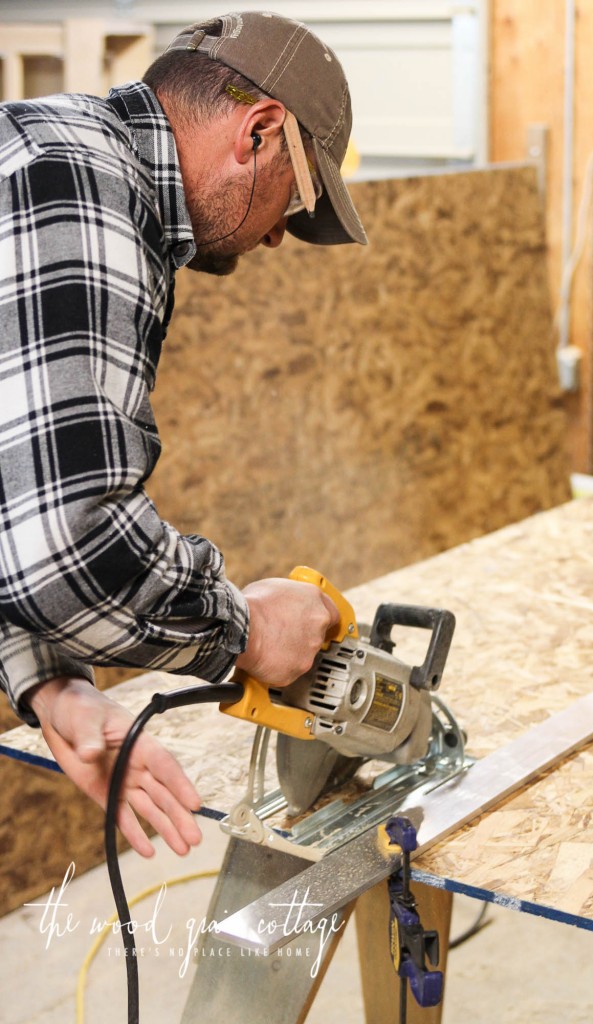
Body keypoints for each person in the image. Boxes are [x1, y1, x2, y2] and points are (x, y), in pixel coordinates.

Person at [0, 12, 367, 859]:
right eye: (298, 200)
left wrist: (49, 683)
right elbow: (69, 547)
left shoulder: (54, 156)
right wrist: (243, 631)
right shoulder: (82, 185)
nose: (279, 233)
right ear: (260, 131)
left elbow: (14, 496)